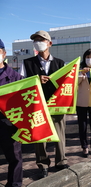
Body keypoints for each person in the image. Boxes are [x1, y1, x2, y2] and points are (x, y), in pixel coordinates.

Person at [19, 30, 68, 178]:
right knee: (40, 137)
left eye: (41, 39)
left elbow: (67, 84)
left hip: (57, 105)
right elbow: (21, 84)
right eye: (35, 40)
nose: (38, 42)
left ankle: (61, 161)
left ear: (49, 43)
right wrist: (36, 80)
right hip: (37, 105)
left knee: (59, 134)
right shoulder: (27, 63)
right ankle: (43, 164)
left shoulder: (60, 63)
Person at [0, 39, 23, 187]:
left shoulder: (15, 77)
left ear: (3, 53)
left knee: (14, 157)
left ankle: (14, 184)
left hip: (9, 123)